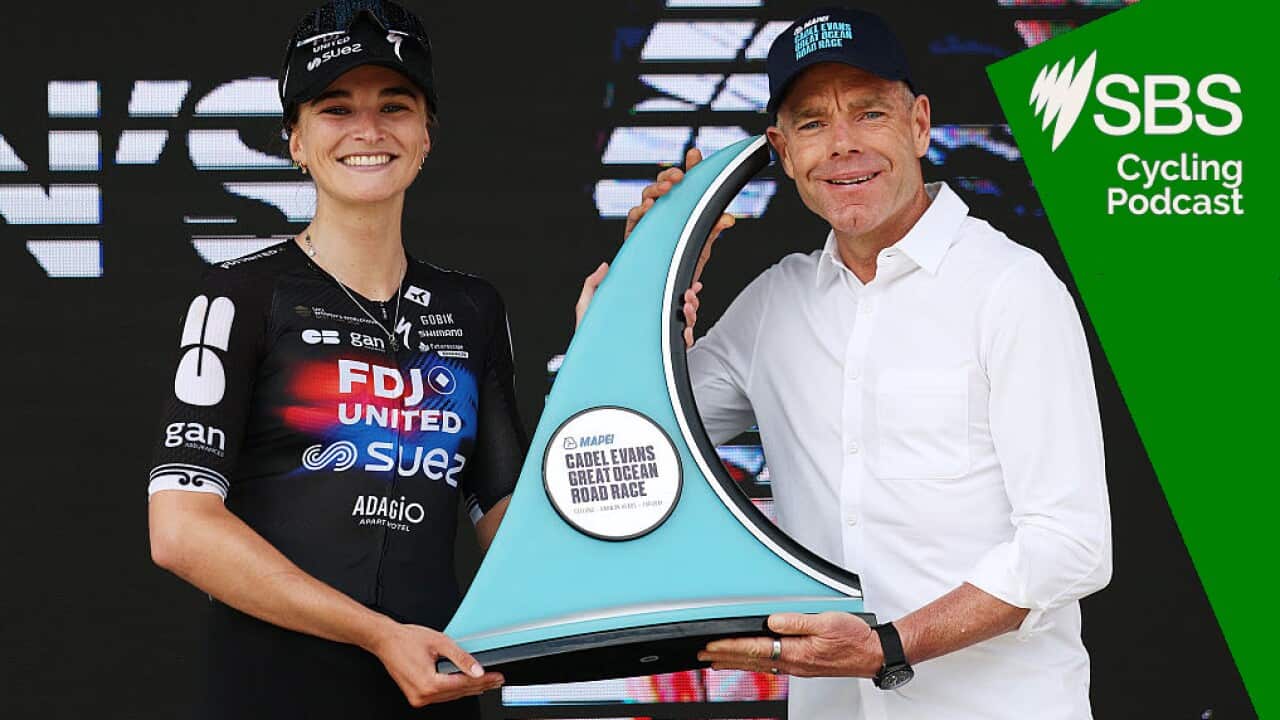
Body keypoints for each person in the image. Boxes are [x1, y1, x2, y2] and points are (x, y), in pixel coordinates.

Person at [579, 6, 1111, 719]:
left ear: (919, 124)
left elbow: (1071, 545)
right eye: (812, 123)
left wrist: (887, 647)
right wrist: (645, 289)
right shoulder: (776, 304)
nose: (842, 145)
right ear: (782, 149)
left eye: (869, 113)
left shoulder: (1011, 288)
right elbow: (629, 450)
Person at [146, 2, 519, 717]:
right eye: (335, 108)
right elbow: (180, 529)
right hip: (274, 692)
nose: (368, 131)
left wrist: (609, 340)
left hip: (436, 689)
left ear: (426, 133)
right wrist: (379, 635)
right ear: (295, 139)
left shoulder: (473, 307)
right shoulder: (241, 295)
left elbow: (510, 525)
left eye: (395, 106)